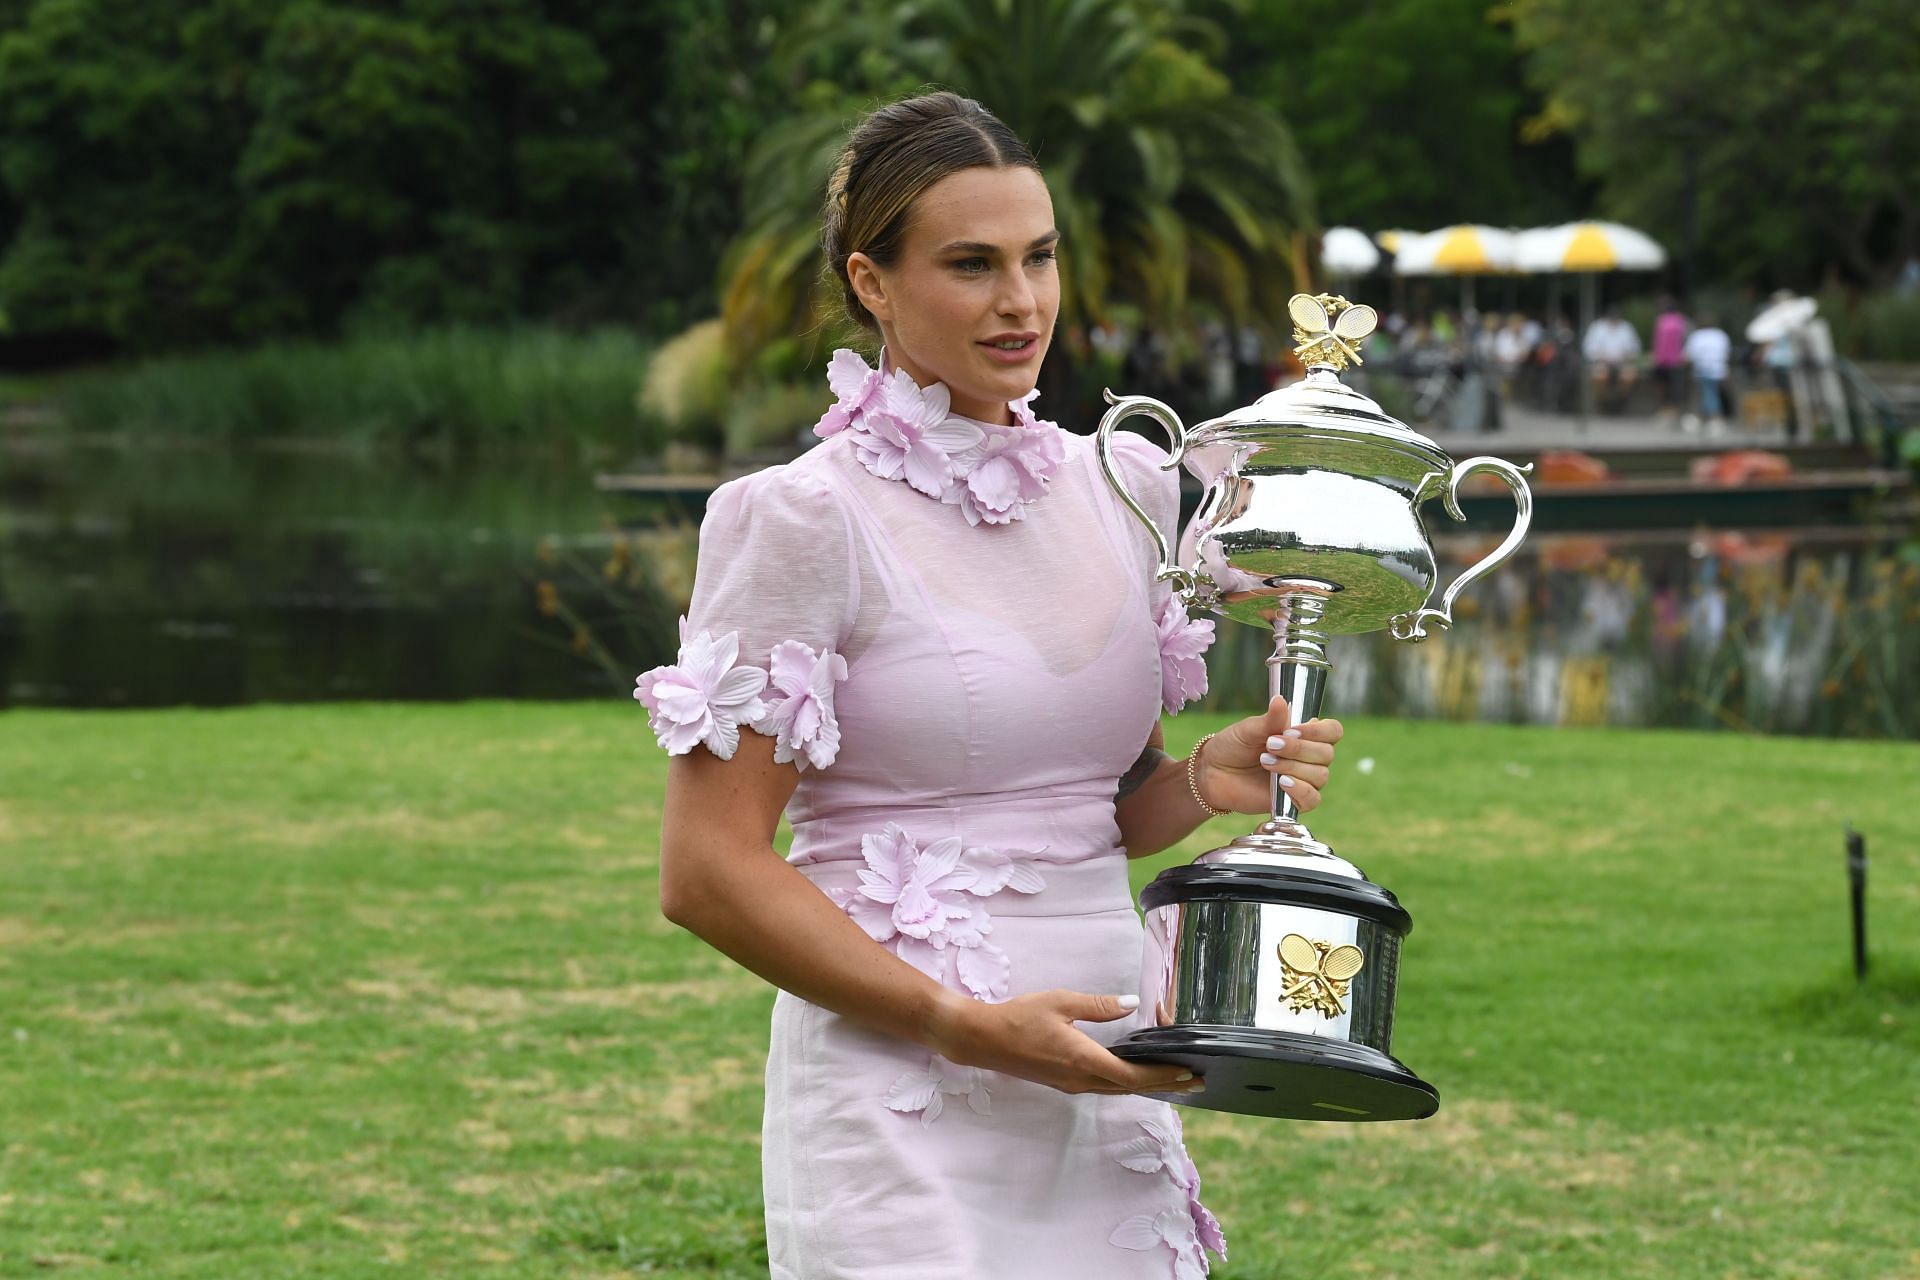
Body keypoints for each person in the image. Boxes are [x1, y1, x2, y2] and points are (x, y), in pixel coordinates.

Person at [635, 91, 1344, 1278]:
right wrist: (960, 1023)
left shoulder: (1124, 486)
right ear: (872, 281)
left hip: (1103, 1055)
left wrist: (1201, 782)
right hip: (898, 1087)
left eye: (1040, 256)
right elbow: (706, 870)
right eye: (972, 264)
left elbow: (1078, 811)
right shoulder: (801, 518)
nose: (1021, 302)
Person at [1581, 306, 1642, 412]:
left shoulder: (1627, 327)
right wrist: (1600, 357)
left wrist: (1627, 356)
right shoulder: (1597, 327)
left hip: (1622, 363)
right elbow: (1589, 348)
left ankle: (1621, 400)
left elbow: (1635, 348)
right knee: (1599, 376)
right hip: (1601, 362)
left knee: (1629, 376)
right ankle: (1602, 400)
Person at [1682, 311, 1732, 436]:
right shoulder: (1721, 335)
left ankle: (1715, 418)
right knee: (1710, 392)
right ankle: (1707, 417)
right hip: (1719, 369)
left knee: (1708, 392)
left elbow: (1689, 355)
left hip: (1702, 369)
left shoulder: (1697, 336)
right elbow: (1726, 352)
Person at [1649, 296, 1690, 427]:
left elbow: (1656, 341)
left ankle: (1667, 412)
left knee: (1665, 388)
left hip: (1664, 360)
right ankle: (1671, 412)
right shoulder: (1681, 321)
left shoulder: (1661, 321)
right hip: (1675, 360)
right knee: (1673, 388)